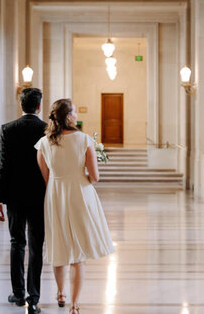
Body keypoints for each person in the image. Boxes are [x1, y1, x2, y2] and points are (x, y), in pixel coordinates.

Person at [35, 98, 115, 313]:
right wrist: (82, 176)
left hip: (55, 194)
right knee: (78, 251)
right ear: (69, 117)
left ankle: (60, 293)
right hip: (80, 194)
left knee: (58, 246)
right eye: (75, 112)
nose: (78, 116)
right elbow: (95, 177)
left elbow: (46, 176)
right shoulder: (84, 139)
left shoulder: (44, 143)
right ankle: (74, 304)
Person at [0, 87, 47, 314]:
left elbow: (2, 165)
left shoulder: (8, 129)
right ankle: (33, 296)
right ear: (39, 106)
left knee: (17, 243)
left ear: (21, 105)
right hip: (39, 195)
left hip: (14, 196)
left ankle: (17, 294)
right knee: (36, 246)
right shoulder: (47, 129)